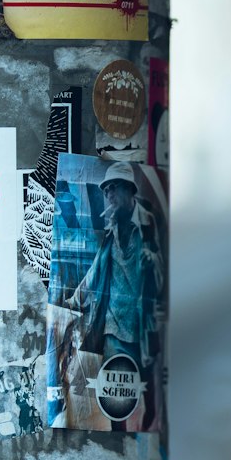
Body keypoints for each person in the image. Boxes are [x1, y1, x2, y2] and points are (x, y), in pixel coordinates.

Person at [68, 164, 164, 426]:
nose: (109, 195)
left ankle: (146, 432)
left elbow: (166, 273)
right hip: (112, 326)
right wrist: (74, 301)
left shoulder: (149, 223)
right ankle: (119, 436)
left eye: (114, 189)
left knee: (148, 393)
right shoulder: (112, 227)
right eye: (106, 190)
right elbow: (96, 270)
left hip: (141, 324)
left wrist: (153, 259)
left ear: (129, 191)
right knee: (114, 395)